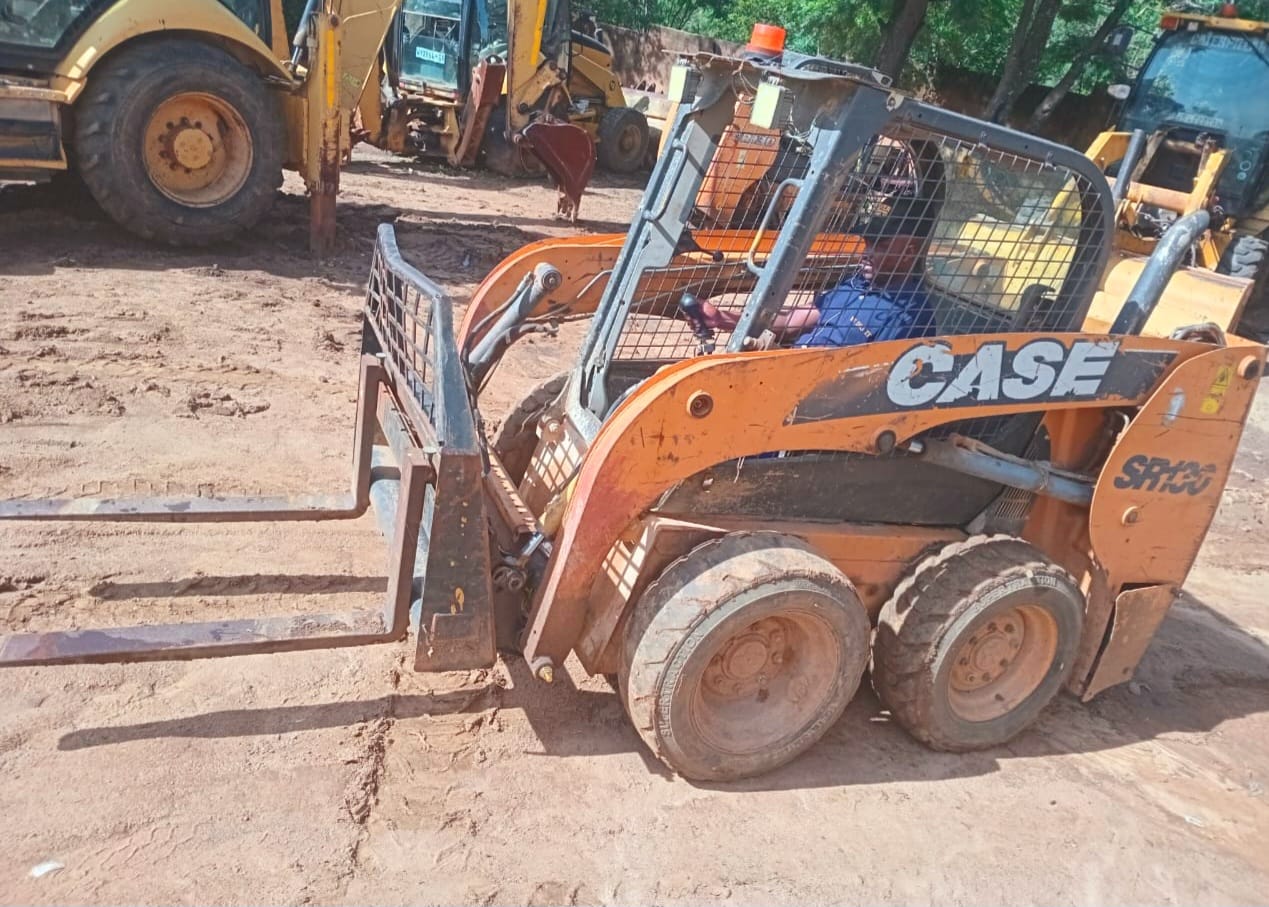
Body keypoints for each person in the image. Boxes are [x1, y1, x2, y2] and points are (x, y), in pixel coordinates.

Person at [695, 228, 938, 348]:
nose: (867, 254)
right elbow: (792, 321)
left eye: (881, 246)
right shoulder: (855, 285)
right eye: (868, 244)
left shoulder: (910, 314)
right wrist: (722, 319)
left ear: (909, 252)